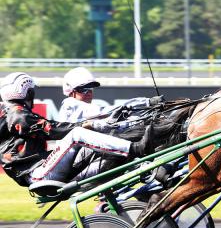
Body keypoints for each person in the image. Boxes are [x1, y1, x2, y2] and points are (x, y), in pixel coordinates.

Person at [0, 72, 153, 187]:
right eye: (32, 91)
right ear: (27, 92)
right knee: (77, 134)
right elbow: (52, 129)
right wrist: (83, 125)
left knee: (97, 146)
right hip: (37, 174)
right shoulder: (16, 114)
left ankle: (143, 166)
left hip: (44, 167)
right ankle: (137, 149)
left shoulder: (13, 112)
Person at [58, 66, 163, 123]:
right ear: (71, 92)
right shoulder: (70, 104)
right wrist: (147, 102)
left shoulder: (84, 109)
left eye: (91, 89)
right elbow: (107, 111)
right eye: (84, 89)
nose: (89, 93)